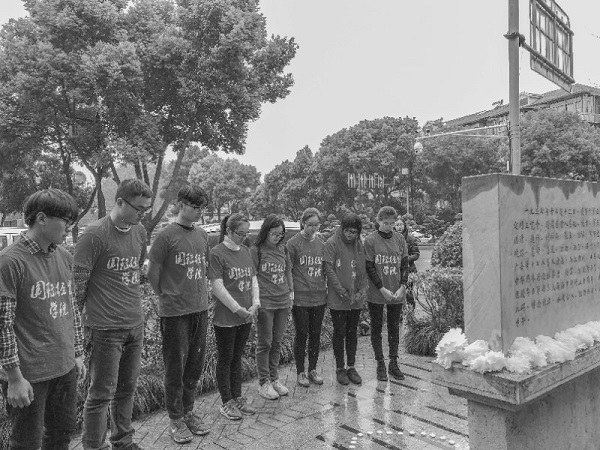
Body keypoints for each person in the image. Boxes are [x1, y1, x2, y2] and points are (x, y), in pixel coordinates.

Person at [0, 189, 85, 450]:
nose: (70, 227)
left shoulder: (64, 257)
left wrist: (77, 353)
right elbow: (3, 325)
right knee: (26, 443)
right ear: (41, 218)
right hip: (29, 375)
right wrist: (14, 378)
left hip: (64, 368)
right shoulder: (10, 262)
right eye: (66, 220)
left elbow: (71, 307)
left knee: (61, 435)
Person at [75, 179, 152, 450]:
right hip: (105, 328)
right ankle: (94, 446)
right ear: (119, 202)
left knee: (127, 389)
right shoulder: (94, 235)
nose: (143, 214)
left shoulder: (139, 231)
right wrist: (77, 332)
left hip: (135, 324)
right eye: (139, 208)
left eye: (146, 209)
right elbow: (78, 286)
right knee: (100, 394)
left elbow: (137, 267)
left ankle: (123, 441)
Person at [147, 185, 211, 444]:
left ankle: (188, 411)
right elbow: (153, 271)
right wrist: (165, 294)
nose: (199, 212)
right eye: (195, 207)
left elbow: (204, 267)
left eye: (202, 208)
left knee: (195, 364)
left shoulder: (202, 235)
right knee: (176, 367)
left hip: (200, 309)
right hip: (175, 313)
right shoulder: (165, 235)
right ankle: (175, 418)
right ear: (182, 204)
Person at [208, 214, 260, 421]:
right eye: (240, 233)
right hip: (226, 318)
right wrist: (237, 308)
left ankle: (237, 397)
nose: (244, 237)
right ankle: (226, 401)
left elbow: (253, 279)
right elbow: (217, 286)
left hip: (245, 315)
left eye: (246, 233)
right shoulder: (217, 253)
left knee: (237, 358)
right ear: (229, 231)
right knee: (226, 359)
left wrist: (256, 303)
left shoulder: (245, 251)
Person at [365, 206, 410, 381]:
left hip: (396, 290)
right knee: (376, 327)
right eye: (385, 223)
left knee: (394, 327)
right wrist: (381, 288)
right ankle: (380, 364)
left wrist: (402, 286)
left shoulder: (400, 239)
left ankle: (393, 362)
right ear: (378, 221)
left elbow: (404, 264)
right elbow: (369, 267)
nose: (389, 226)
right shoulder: (371, 240)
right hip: (377, 291)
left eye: (392, 224)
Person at [251, 215, 293, 400]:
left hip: (282, 301)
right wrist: (255, 302)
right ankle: (264, 382)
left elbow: (288, 271)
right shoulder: (256, 251)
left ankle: (274, 379)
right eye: (274, 233)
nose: (278, 237)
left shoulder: (283, 249)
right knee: (265, 343)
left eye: (280, 234)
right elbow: (252, 277)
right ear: (265, 232)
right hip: (265, 303)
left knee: (277, 342)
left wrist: (291, 294)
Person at [323, 213, 368, 386]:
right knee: (339, 332)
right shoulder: (332, 243)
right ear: (342, 228)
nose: (350, 235)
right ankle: (340, 368)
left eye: (354, 232)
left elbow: (363, 270)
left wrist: (360, 292)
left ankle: (351, 366)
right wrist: (342, 292)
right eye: (347, 231)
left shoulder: (359, 244)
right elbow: (329, 269)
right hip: (338, 298)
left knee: (352, 333)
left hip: (355, 298)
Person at [287, 208, 327, 387]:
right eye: (310, 225)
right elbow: (288, 270)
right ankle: (300, 372)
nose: (313, 228)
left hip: (319, 297)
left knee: (316, 334)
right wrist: (290, 294)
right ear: (302, 223)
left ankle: (312, 369)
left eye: (316, 225)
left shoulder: (321, 244)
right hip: (301, 298)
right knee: (302, 334)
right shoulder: (293, 243)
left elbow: (325, 269)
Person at [395, 218, 420, 308]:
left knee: (408, 293)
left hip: (408, 270)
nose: (399, 227)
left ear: (404, 226)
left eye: (401, 224)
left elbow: (416, 254)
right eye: (397, 225)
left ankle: (410, 312)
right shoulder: (391, 239)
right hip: (395, 271)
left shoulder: (411, 239)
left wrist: (405, 259)